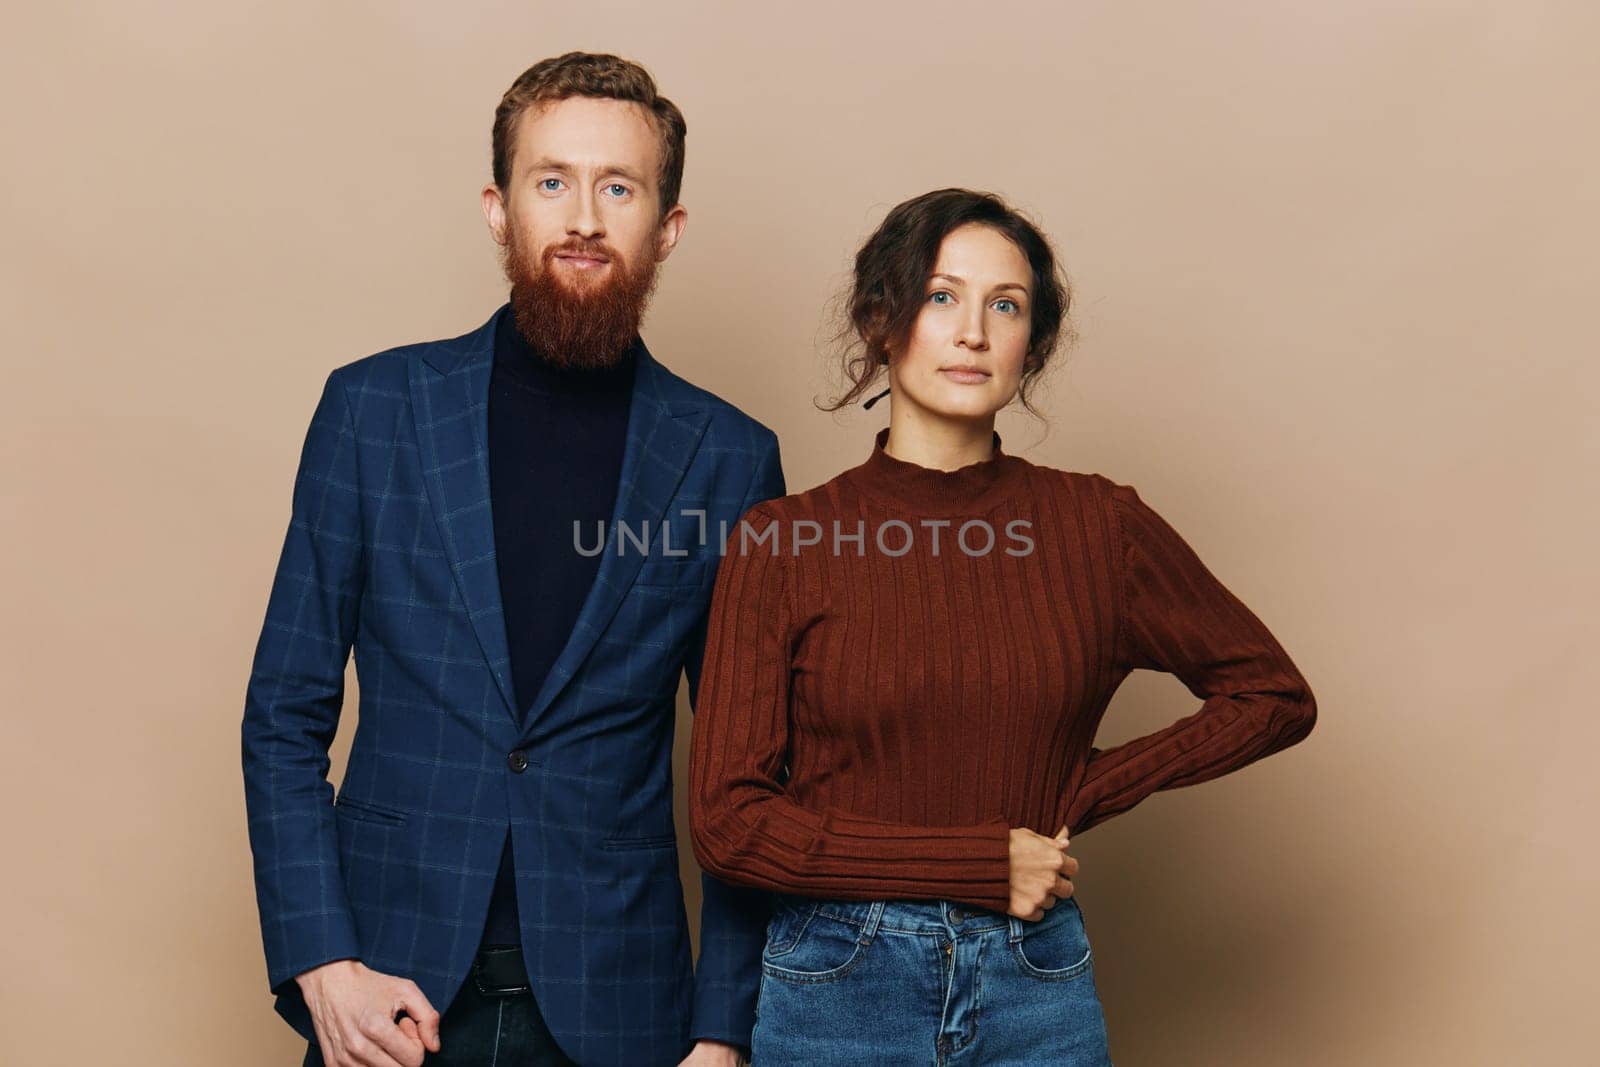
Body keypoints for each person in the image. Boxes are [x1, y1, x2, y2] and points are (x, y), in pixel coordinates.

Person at [687, 188, 1317, 1063]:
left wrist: (1084, 789)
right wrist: (976, 862)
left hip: (1033, 979)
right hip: (838, 983)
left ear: (1034, 342)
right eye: (941, 297)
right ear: (881, 321)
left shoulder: (1100, 527)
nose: (973, 331)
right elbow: (728, 821)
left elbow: (1273, 693)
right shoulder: (784, 542)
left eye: (1006, 305)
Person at [242, 52, 783, 1067]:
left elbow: (744, 773)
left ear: (665, 228)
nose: (583, 215)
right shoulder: (374, 412)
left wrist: (723, 1031)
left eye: (616, 187)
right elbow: (283, 710)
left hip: (623, 1015)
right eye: (552, 181)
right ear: (500, 209)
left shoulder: (727, 458)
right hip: (385, 1000)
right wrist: (324, 962)